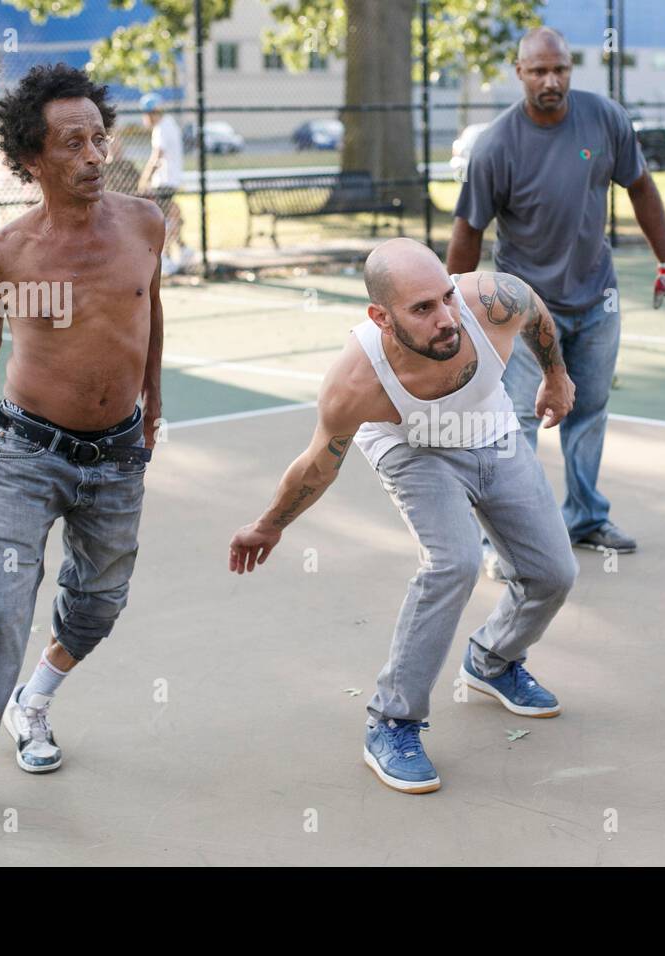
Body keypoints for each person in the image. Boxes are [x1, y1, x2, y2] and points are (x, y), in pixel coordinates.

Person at [227, 238, 578, 794]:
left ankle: (493, 659)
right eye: (422, 309)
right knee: (454, 563)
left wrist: (555, 376)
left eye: (445, 297)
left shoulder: (489, 301)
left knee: (554, 573)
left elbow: (534, 309)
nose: (446, 319)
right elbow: (318, 466)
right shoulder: (356, 384)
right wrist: (269, 524)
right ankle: (392, 721)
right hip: (410, 446)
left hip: (491, 431)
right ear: (381, 318)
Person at [0, 64, 165, 828]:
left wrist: (155, 400)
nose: (94, 155)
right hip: (29, 450)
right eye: (71, 143)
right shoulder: (5, 255)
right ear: (31, 160)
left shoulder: (146, 222)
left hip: (118, 451)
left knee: (97, 605)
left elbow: (150, 308)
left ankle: (36, 701)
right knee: (5, 608)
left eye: (99, 137)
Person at [446, 26, 665, 577]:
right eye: (539, 72)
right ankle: (511, 539)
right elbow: (468, 229)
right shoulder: (497, 146)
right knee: (517, 422)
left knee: (589, 409)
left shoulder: (604, 119)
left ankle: (585, 518)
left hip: (597, 297)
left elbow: (641, 187)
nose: (551, 81)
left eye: (560, 70)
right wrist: (452, 309)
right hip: (523, 307)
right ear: (519, 72)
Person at [137, 92, 190, 275]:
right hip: (171, 180)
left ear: (152, 113)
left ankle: (165, 258)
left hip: (164, 182)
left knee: (165, 220)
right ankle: (183, 249)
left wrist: (145, 178)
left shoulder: (161, 128)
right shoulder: (170, 124)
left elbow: (157, 155)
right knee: (173, 215)